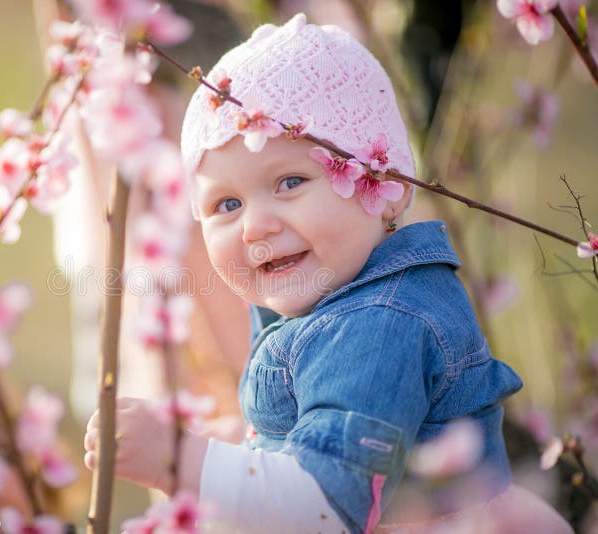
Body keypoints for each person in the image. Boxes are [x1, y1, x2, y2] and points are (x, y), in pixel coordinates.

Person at [83, 13, 572, 533]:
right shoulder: (339, 303)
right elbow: (317, 429)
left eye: (290, 180)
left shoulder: (380, 326)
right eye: (226, 204)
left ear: (386, 186)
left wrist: (182, 460)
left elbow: (323, 504)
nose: (255, 226)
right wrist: (237, 441)